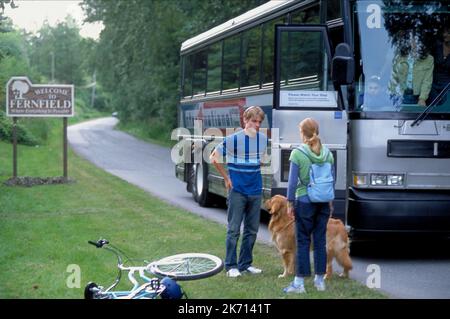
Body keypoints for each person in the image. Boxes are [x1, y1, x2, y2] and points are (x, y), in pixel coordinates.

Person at [209, 106, 268, 278]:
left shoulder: (263, 139)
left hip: (255, 191)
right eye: (253, 121)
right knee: (234, 230)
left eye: (259, 122)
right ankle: (231, 266)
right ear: (245, 120)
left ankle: (245, 264)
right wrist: (227, 178)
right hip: (238, 192)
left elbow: (259, 161)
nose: (256, 125)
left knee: (252, 230)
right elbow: (214, 157)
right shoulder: (233, 139)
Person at [284, 118, 334, 293]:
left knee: (303, 241)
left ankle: (299, 283)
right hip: (323, 203)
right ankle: (320, 281)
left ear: (302, 133)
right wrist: (330, 202)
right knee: (320, 241)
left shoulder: (298, 154)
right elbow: (330, 181)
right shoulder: (328, 153)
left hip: (305, 201)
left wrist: (290, 203)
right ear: (317, 131)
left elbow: (291, 183)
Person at [388, 30, 434, 107]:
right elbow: (393, 78)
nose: (415, 42)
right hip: (400, 96)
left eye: (418, 39)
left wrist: (422, 99)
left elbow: (427, 81)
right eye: (413, 39)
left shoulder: (429, 59)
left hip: (418, 97)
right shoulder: (399, 57)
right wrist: (392, 96)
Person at [428, 27, 450, 105]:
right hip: (432, 84)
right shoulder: (436, 47)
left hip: (447, 87)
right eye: (444, 32)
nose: (445, 35)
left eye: (448, 33)